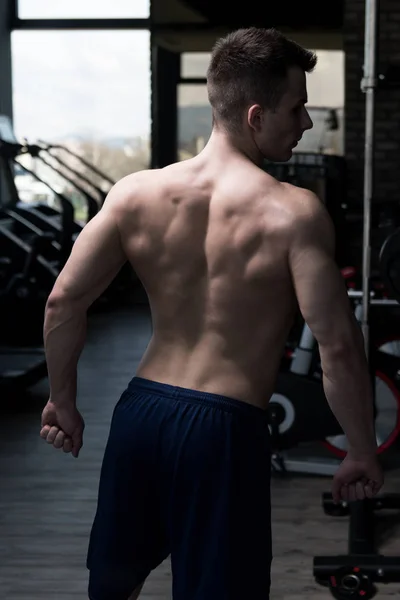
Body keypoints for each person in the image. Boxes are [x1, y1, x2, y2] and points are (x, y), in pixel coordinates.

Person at [39, 27, 384, 600]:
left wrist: (62, 400)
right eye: (296, 109)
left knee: (112, 585)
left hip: (140, 414)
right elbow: (338, 346)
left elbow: (63, 301)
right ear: (255, 114)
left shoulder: (134, 194)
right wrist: (361, 448)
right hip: (223, 430)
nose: (304, 123)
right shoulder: (293, 214)